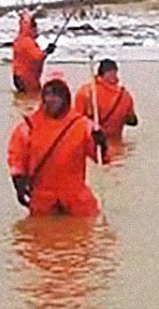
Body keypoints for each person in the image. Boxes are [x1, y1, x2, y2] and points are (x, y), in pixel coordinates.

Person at [7, 71, 102, 218]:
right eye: (48, 94)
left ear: (65, 98)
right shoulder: (28, 127)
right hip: (42, 200)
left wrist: (101, 142)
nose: (51, 99)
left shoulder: (83, 126)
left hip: (76, 200)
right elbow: (16, 158)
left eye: (57, 94)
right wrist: (18, 182)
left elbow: (101, 159)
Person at [75, 58, 139, 157]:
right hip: (116, 147)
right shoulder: (125, 95)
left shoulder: (86, 92)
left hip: (92, 147)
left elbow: (77, 123)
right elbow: (132, 120)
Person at [11, 9, 47, 96]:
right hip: (27, 77)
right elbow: (39, 56)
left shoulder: (19, 40)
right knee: (33, 96)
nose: (36, 30)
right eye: (34, 27)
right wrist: (48, 51)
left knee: (23, 96)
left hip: (19, 76)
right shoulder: (27, 41)